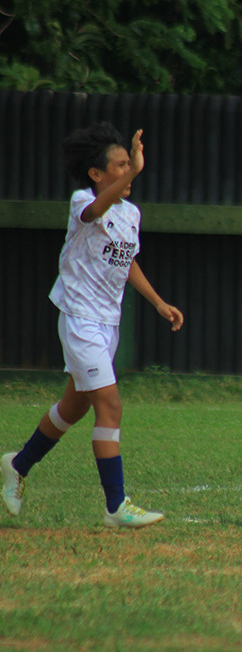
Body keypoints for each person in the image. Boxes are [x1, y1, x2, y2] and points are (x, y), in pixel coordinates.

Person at [2, 122, 184, 528]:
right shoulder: (83, 201)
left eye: (129, 165)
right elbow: (95, 211)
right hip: (80, 319)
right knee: (110, 406)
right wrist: (134, 170)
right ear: (96, 174)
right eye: (120, 165)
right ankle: (116, 506)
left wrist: (158, 302)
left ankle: (17, 464)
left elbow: (127, 261)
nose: (129, 171)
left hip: (107, 323)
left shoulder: (131, 213)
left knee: (75, 406)